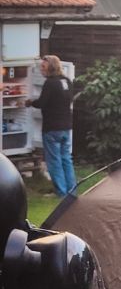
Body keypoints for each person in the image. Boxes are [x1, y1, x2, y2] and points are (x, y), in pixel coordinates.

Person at [25, 54, 76, 197]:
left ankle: (61, 192)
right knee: (66, 159)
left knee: (54, 161)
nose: (41, 69)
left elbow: (42, 103)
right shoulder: (66, 81)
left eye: (43, 66)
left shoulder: (50, 83)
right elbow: (68, 100)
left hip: (52, 128)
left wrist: (30, 102)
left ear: (51, 67)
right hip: (66, 126)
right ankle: (72, 191)